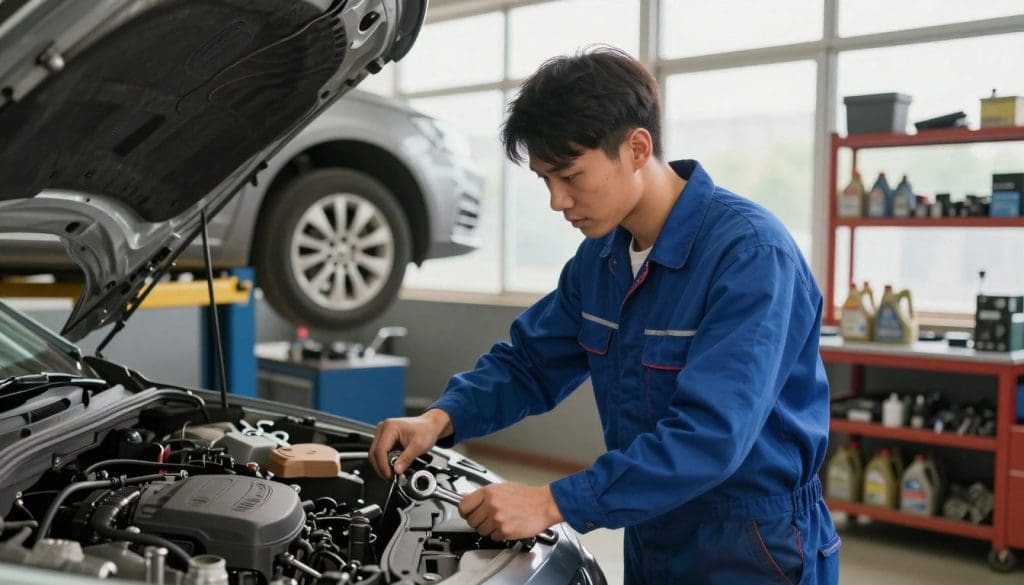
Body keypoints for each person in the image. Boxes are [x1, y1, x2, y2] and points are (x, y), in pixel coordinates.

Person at [369, 46, 840, 584]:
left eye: (570, 176)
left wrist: (552, 502)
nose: (557, 201)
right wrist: (440, 418)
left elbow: (711, 436)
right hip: (652, 525)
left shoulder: (751, 256)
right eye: (546, 180)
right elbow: (529, 363)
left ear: (637, 148)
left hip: (752, 543)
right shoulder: (603, 258)